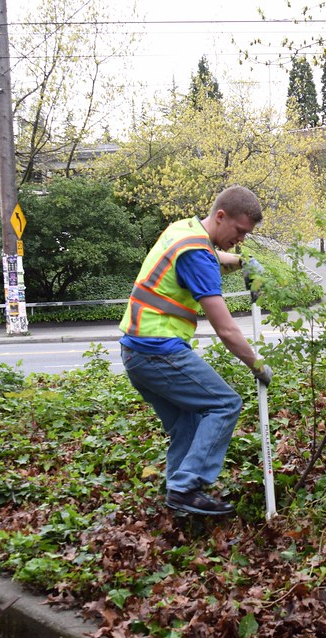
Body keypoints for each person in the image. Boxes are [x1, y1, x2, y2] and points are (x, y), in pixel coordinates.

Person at [119, 185, 272, 517]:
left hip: (136, 353)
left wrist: (242, 262)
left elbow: (213, 256)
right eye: (240, 231)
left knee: (187, 425)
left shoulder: (184, 230)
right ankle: (187, 488)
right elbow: (227, 329)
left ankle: (181, 504)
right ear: (221, 216)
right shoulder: (197, 254)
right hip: (158, 351)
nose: (241, 238)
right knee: (224, 404)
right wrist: (257, 364)